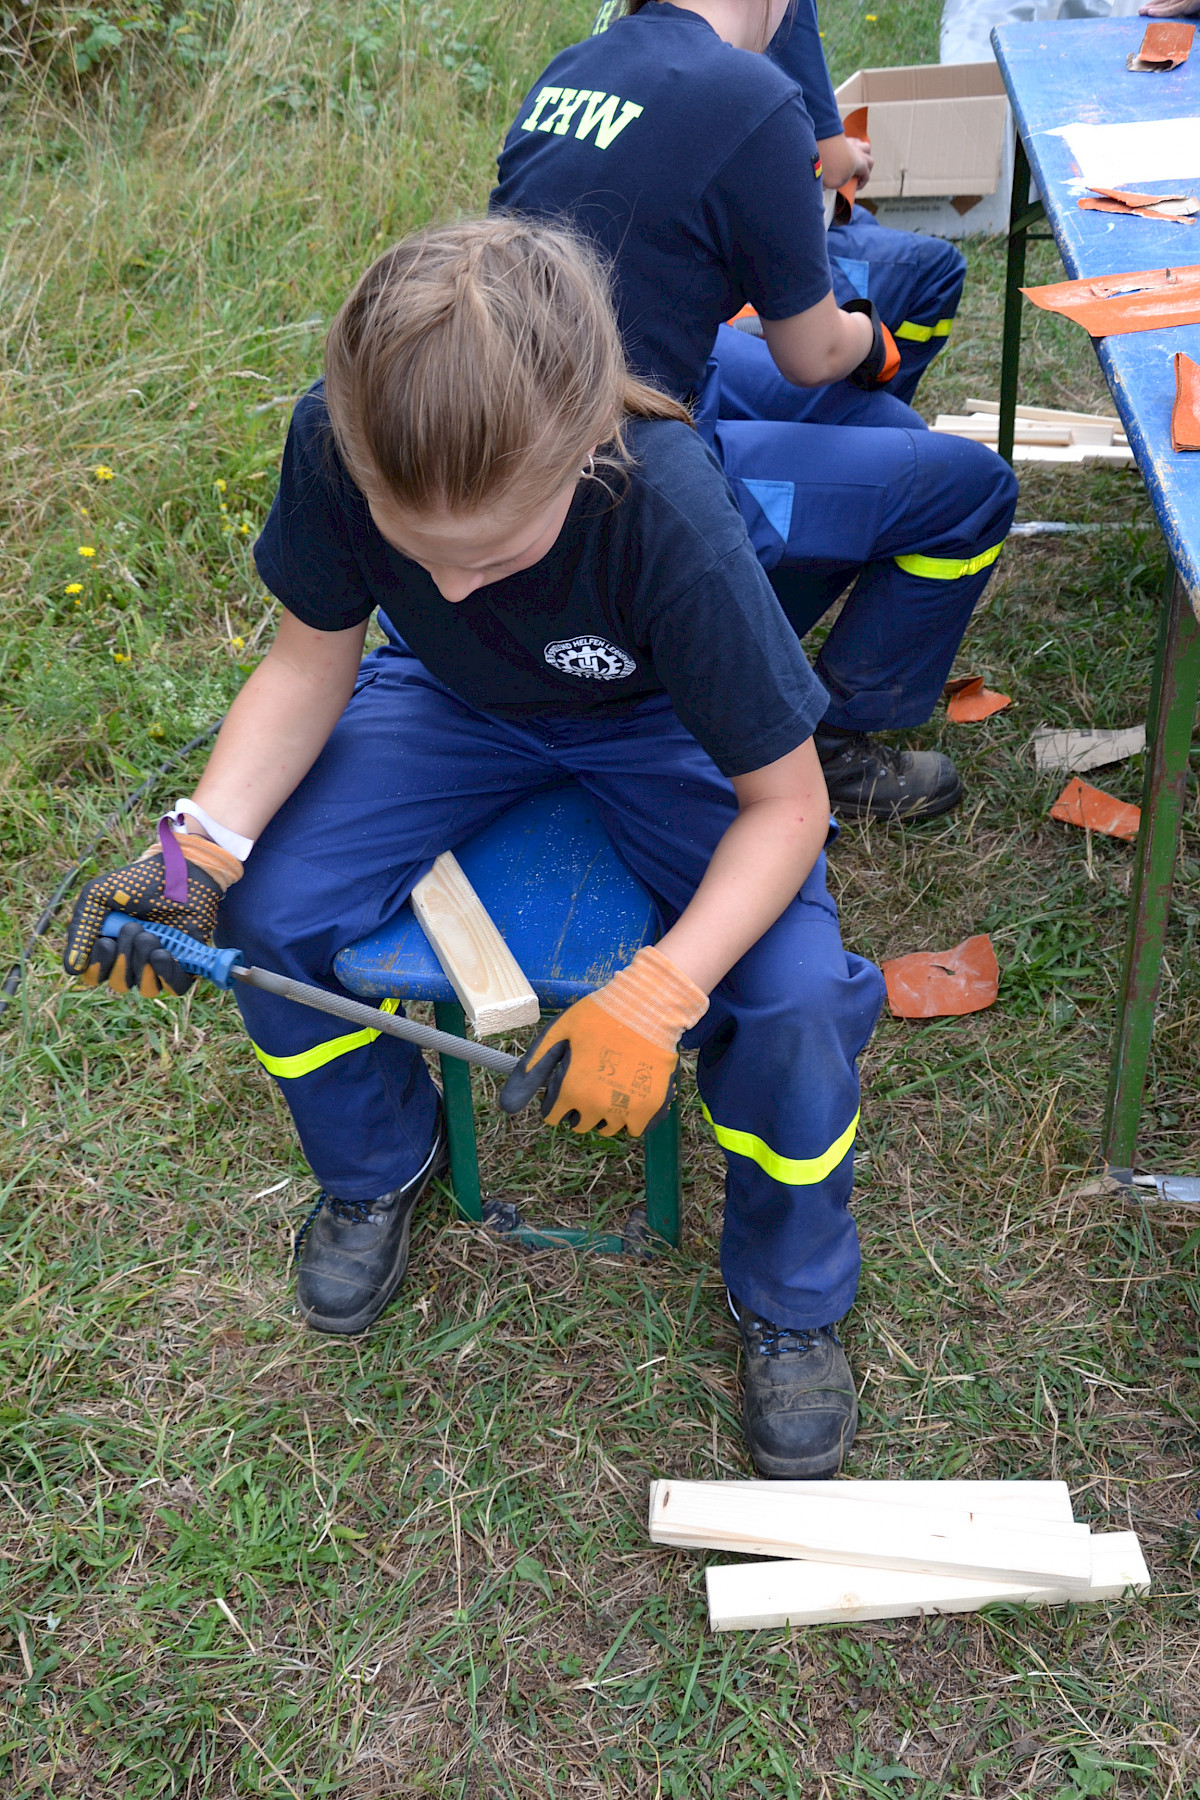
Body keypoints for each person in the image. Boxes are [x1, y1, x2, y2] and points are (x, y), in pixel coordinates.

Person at [62, 216, 886, 1480]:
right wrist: (194, 860)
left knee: (784, 1000)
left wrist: (664, 991)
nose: (454, 590)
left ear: (585, 454)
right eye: (419, 554)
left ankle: (792, 1295)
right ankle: (378, 1165)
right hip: (450, 706)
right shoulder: (336, 445)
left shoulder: (666, 508)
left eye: (496, 555)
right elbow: (307, 660)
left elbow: (785, 806)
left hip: (658, 718)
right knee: (275, 908)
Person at [492, 0, 1018, 822]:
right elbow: (809, 354)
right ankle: (828, 740)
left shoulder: (576, 66)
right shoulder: (755, 96)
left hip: (546, 402)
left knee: (891, 436)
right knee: (974, 490)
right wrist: (868, 336)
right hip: (626, 473)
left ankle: (769, 615)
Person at [765, 0, 967, 407]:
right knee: (938, 269)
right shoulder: (780, 7)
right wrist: (851, 156)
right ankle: (868, 415)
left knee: (863, 224)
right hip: (755, 256)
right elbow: (834, 163)